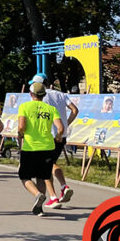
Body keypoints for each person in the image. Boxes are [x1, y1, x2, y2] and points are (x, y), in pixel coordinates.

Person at [17, 82, 65, 215]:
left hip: (30, 147)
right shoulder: (51, 109)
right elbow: (60, 128)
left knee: (24, 176)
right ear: (44, 95)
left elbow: (21, 126)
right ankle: (39, 207)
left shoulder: (24, 107)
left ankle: (38, 195)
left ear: (31, 94)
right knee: (42, 176)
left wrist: (20, 134)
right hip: (48, 147)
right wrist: (59, 137)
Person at [36, 74, 78, 203]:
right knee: (52, 163)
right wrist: (66, 123)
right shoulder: (60, 94)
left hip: (47, 134)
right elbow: (75, 110)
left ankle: (53, 197)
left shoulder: (40, 96)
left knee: (46, 166)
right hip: (61, 134)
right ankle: (63, 186)